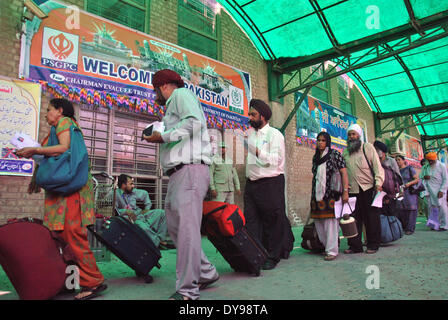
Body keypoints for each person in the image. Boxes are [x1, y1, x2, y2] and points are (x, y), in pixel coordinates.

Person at [16, 98, 107, 300]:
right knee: (60, 238)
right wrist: (35, 177)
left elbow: (64, 148)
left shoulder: (64, 122)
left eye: (49, 110)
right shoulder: (53, 131)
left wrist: (35, 150)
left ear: (60, 111)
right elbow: (47, 159)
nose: (47, 113)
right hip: (59, 192)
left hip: (70, 192)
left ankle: (93, 282)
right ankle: (70, 282)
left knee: (72, 236)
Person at [143, 69, 219, 300]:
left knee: (186, 230)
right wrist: (161, 134)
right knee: (177, 228)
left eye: (155, 89)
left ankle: (187, 291)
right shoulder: (173, 105)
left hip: (189, 170)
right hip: (180, 173)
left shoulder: (180, 95)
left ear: (164, 85)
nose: (155, 94)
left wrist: (163, 137)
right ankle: (205, 273)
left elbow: (196, 122)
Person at [243, 98, 294, 270]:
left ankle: (274, 255)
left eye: (253, 114)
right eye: (249, 114)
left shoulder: (275, 135)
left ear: (263, 117)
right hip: (251, 184)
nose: (249, 117)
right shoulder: (250, 133)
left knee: (273, 221)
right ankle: (255, 254)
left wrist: (256, 151)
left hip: (271, 182)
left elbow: (275, 160)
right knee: (251, 221)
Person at [342, 124, 384, 254]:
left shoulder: (368, 148)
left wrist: (378, 183)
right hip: (353, 190)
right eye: (349, 134)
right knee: (354, 220)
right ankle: (355, 246)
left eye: (353, 134)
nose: (351, 137)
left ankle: (373, 245)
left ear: (359, 135)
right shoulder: (345, 152)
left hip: (368, 188)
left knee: (371, 218)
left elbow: (377, 167)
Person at [310, 132, 349, 261]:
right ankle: (327, 246)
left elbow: (343, 173)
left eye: (323, 140)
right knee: (319, 223)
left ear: (328, 142)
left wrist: (345, 191)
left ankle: (332, 250)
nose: (320, 142)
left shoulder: (334, 154)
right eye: (318, 140)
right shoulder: (316, 157)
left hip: (331, 195)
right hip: (317, 195)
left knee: (330, 223)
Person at [110, 174, 172, 249]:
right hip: (131, 219)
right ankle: (158, 243)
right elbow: (113, 210)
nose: (133, 186)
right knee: (141, 226)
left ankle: (160, 239)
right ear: (123, 185)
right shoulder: (115, 194)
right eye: (131, 184)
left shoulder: (133, 192)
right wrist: (125, 211)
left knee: (162, 213)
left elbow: (145, 193)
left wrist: (147, 208)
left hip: (141, 214)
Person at [420, 152, 448, 231]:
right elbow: (420, 178)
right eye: (429, 160)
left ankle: (444, 225)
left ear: (436, 159)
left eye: (432, 160)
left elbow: (446, 179)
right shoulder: (425, 167)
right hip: (428, 191)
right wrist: (424, 176)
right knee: (431, 208)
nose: (430, 162)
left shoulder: (441, 166)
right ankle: (434, 225)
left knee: (442, 208)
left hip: (439, 190)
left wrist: (442, 190)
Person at [395, 155, 420, 235]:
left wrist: (408, 184)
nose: (397, 161)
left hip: (409, 192)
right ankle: (404, 227)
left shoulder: (409, 168)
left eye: (399, 159)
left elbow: (416, 179)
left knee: (411, 209)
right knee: (401, 209)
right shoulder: (396, 171)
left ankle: (410, 228)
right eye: (396, 160)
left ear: (403, 160)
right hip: (400, 191)